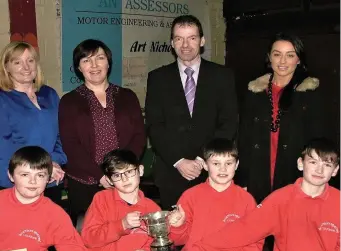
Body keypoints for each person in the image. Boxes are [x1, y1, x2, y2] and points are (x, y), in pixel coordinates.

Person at [189, 138, 340, 251]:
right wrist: (201, 248)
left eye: (327, 165)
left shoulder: (338, 201)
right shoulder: (280, 200)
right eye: (313, 162)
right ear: (300, 164)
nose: (319, 169)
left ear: (336, 170)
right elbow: (243, 230)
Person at [0, 146, 153, 251]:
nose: (32, 181)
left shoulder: (55, 215)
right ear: (11, 176)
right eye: (25, 174)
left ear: (49, 178)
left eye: (40, 175)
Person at [145, 15, 238, 210]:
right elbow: (154, 125)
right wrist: (179, 161)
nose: (185, 44)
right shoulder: (157, 78)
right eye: (179, 38)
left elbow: (228, 122)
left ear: (202, 41)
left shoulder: (222, 76)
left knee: (212, 232)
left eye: (192, 38)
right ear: (172, 43)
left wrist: (201, 159)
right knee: (177, 233)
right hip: (171, 172)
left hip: (211, 170)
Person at [236, 32, 333, 204]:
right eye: (277, 54)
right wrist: (242, 180)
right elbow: (243, 139)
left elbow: (321, 141)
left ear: (299, 59)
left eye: (290, 55)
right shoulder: (255, 91)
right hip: (258, 172)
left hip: (295, 173)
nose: (282, 61)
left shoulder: (310, 93)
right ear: (269, 58)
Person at [59, 39, 146, 224]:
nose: (94, 65)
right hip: (85, 182)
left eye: (99, 58)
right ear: (79, 68)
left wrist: (119, 171)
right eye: (86, 60)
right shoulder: (69, 101)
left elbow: (139, 136)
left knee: (128, 234)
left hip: (125, 180)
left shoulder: (127, 96)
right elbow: (70, 144)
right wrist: (101, 174)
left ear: (108, 62)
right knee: (89, 236)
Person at [168, 138, 264, 251]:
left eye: (229, 163)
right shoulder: (190, 196)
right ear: (205, 165)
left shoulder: (246, 200)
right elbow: (178, 240)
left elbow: (256, 242)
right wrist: (178, 226)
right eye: (216, 163)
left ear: (237, 165)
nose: (223, 169)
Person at [79, 149, 161, 251]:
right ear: (109, 180)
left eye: (129, 171)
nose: (124, 179)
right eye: (117, 175)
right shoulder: (101, 199)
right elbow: (89, 239)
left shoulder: (152, 209)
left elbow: (155, 243)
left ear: (140, 170)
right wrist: (121, 225)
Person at [0, 41, 66, 207]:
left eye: (30, 61)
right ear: (7, 67)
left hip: (51, 177)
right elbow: (4, 146)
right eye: (17, 62)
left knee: (52, 229)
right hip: (18, 182)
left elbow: (61, 135)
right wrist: (37, 170)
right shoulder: (3, 99)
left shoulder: (49, 94)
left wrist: (52, 164)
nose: (26, 67)